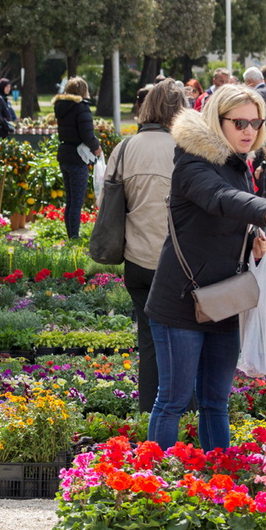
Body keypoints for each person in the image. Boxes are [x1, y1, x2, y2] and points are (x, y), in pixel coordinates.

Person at [145, 83, 266, 450]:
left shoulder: (238, 163)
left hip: (223, 300)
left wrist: (253, 245)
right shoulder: (192, 161)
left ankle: (220, 480)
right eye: (239, 123)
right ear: (218, 121)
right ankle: (154, 484)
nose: (249, 131)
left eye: (255, 122)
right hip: (181, 300)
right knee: (173, 401)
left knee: (216, 402)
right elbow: (219, 198)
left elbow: (222, 222)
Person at [104, 80, 189, 413]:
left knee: (150, 341)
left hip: (136, 261)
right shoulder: (188, 148)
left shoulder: (125, 147)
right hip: (180, 262)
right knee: (186, 344)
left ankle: (149, 414)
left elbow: (108, 202)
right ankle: (185, 417)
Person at [54, 77, 102, 240]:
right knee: (77, 202)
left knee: (70, 200)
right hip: (78, 157)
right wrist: (97, 147)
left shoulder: (61, 106)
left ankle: (70, 235)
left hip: (65, 154)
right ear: (83, 90)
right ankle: (74, 238)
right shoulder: (81, 108)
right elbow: (87, 134)